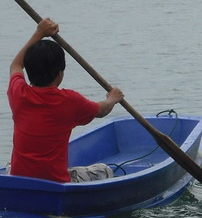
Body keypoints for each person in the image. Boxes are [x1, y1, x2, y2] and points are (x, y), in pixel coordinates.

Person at [8, 18, 124, 182]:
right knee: (104, 170)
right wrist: (113, 98)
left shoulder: (18, 93)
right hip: (55, 183)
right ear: (60, 73)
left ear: (29, 69)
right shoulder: (69, 101)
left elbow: (16, 65)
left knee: (9, 166)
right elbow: (102, 110)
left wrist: (39, 33)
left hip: (21, 180)